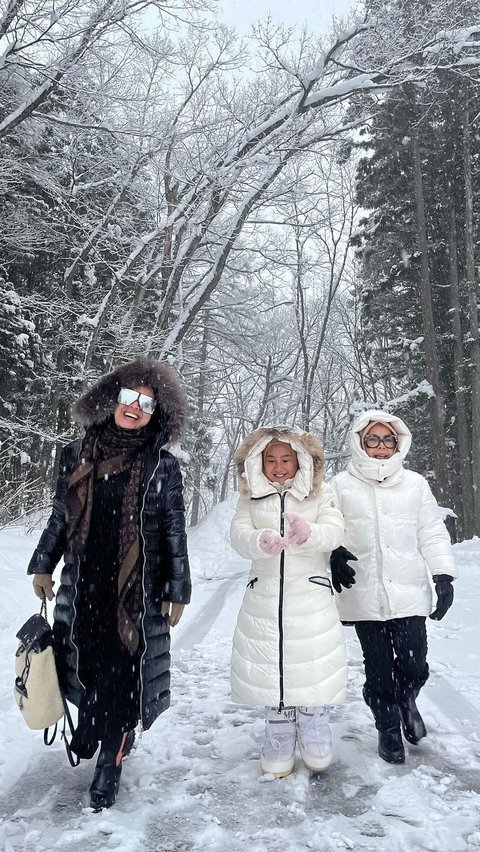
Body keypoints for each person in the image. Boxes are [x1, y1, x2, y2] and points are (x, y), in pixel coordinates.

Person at [27, 358, 191, 810]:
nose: (135, 408)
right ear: (111, 400)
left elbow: (173, 531)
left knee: (122, 670)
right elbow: (61, 515)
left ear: (156, 413)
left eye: (146, 402)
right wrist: (45, 563)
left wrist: (178, 587)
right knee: (86, 658)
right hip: (84, 583)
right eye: (128, 398)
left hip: (134, 590)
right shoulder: (79, 453)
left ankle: (110, 761)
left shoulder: (163, 467)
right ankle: (95, 722)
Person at [330, 409, 457, 765]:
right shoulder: (340, 485)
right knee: (379, 667)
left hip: (408, 591)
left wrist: (443, 575)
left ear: (399, 443)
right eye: (374, 439)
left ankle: (407, 700)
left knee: (415, 663)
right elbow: (327, 524)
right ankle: (387, 727)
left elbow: (431, 531)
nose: (382, 447)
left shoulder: (415, 484)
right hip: (363, 592)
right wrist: (332, 550)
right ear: (360, 442)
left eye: (389, 440)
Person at [229, 426, 347, 778]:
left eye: (287, 459)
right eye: (270, 459)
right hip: (264, 595)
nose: (279, 466)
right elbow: (238, 535)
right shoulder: (249, 499)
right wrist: (259, 539)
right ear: (258, 462)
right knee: (271, 663)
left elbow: (335, 530)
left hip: (310, 595)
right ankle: (279, 729)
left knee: (309, 663)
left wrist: (309, 534)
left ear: (301, 462)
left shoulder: (320, 494)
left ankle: (314, 725)